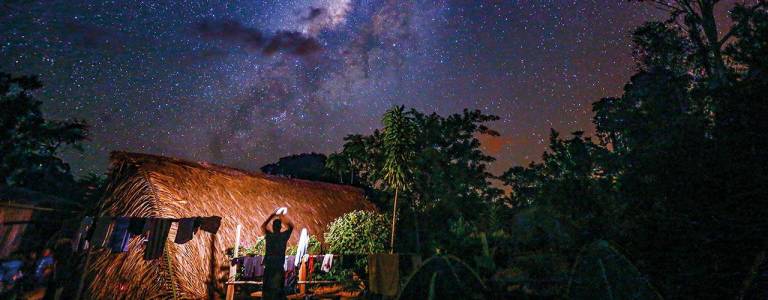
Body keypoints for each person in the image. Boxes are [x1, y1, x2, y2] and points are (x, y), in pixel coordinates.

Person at [261, 208, 294, 300]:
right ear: (280, 227)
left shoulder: (269, 236)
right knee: (278, 291)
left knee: (267, 291)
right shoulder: (283, 237)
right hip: (278, 267)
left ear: (273, 227)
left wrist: (272, 215)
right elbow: (291, 227)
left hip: (269, 267)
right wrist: (281, 216)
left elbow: (263, 226)